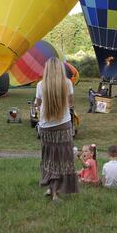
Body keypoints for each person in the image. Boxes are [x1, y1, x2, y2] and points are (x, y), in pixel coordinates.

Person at [36, 57, 78, 202]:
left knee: (49, 158)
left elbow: (38, 103)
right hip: (63, 126)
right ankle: (56, 192)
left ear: (46, 70)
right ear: (61, 69)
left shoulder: (41, 85)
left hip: (46, 128)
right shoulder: (67, 83)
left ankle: (50, 187)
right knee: (62, 159)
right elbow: (71, 103)